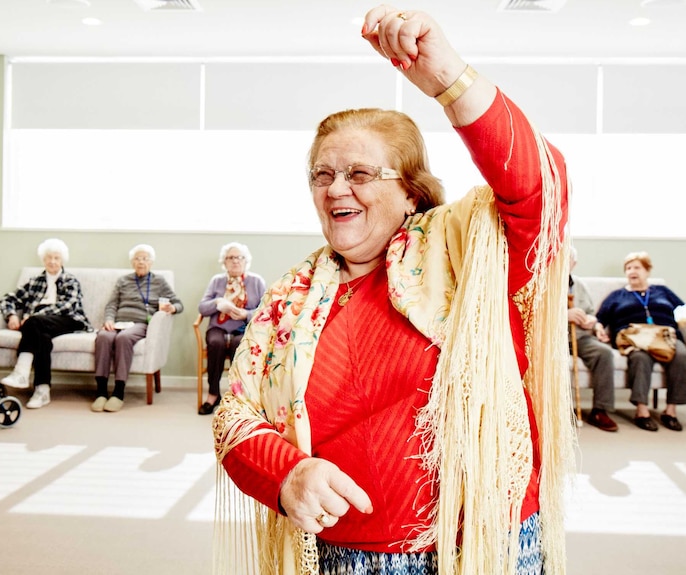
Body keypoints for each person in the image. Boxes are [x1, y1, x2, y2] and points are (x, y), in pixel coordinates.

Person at [211, 7, 574, 575]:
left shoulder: (470, 252)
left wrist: (448, 79)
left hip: (490, 540)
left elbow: (539, 182)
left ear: (411, 193)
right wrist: (287, 473)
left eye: (359, 173)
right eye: (322, 175)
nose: (336, 189)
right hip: (348, 552)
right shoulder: (292, 297)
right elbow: (236, 412)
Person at [596, 251, 686, 432]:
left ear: (647, 271)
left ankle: (670, 410)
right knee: (640, 359)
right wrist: (599, 329)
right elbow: (600, 319)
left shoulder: (662, 291)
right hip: (634, 339)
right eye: (628, 268)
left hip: (665, 337)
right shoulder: (617, 296)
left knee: (681, 354)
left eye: (636, 267)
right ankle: (642, 411)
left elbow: (681, 310)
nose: (631, 271)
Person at [0, 238, 91, 409]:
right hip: (39, 325)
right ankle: (42, 390)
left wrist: (36, 315)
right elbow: (8, 298)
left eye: (56, 258)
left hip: (68, 320)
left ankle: (21, 372)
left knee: (34, 322)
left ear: (62, 260)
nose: (52, 261)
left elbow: (68, 306)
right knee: (42, 337)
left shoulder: (70, 280)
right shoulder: (35, 281)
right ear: (43, 259)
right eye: (49, 257)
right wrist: (11, 315)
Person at [92, 244, 183, 413]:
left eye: (145, 259)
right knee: (104, 336)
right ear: (132, 262)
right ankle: (101, 392)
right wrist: (109, 319)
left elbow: (178, 304)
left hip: (140, 323)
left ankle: (118, 392)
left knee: (124, 338)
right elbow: (112, 304)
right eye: (137, 259)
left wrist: (172, 308)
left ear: (151, 262)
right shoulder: (123, 281)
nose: (141, 262)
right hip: (119, 322)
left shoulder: (159, 281)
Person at [197, 242, 266, 415]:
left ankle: (239, 397)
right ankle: (213, 394)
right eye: (230, 258)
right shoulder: (217, 281)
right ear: (224, 262)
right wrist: (217, 303)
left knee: (239, 345)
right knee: (215, 343)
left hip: (243, 328)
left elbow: (266, 310)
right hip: (218, 327)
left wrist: (246, 314)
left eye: (239, 257)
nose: (235, 261)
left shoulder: (256, 281)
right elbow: (202, 308)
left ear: (245, 261)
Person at [568, 246, 618, 432]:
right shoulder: (545, 282)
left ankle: (600, 410)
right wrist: (565, 315)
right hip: (555, 340)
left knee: (604, 353)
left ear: (574, 263)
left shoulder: (579, 285)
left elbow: (591, 313)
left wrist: (592, 322)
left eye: (568, 259)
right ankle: (558, 410)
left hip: (581, 336)